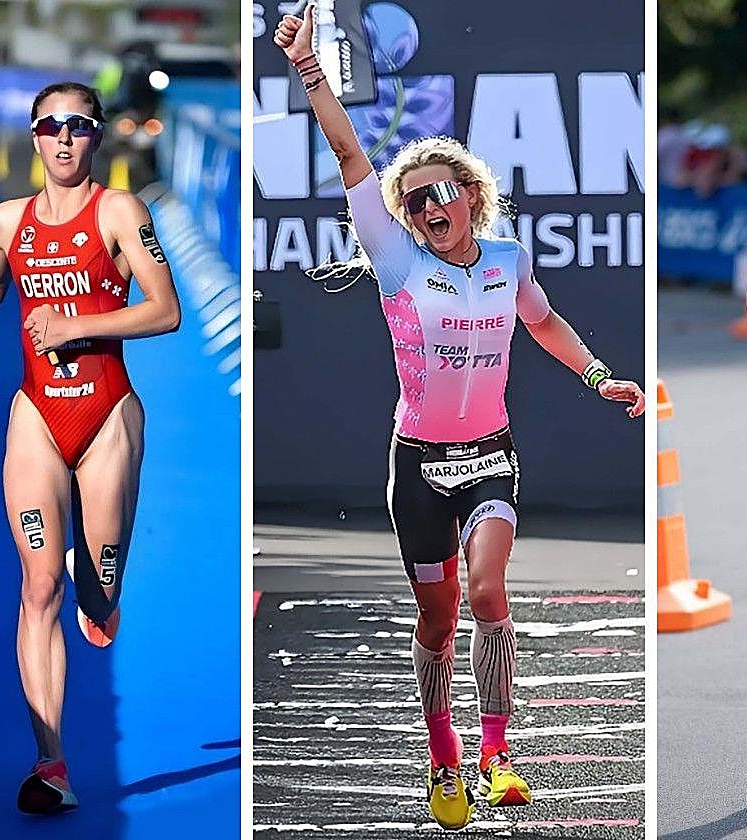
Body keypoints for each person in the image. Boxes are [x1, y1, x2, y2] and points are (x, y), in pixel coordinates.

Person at [274, 5, 646, 830]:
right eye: (412, 203)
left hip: (490, 457)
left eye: (438, 195)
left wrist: (598, 376)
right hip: (418, 467)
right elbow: (347, 152)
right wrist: (309, 71)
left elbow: (543, 322)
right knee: (437, 621)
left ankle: (498, 755)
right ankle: (442, 762)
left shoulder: (508, 259)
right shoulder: (397, 258)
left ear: (472, 196)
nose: (425, 210)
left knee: (488, 591)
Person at [0, 81, 181, 813]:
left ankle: (104, 586)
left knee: (97, 589)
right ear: (33, 135)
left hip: (108, 412)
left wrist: (79, 329)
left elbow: (166, 310)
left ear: (95, 138)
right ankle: (50, 763)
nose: (63, 138)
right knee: (37, 586)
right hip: (37, 416)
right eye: (50, 126)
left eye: (78, 126)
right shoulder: (5, 221)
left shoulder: (119, 210)